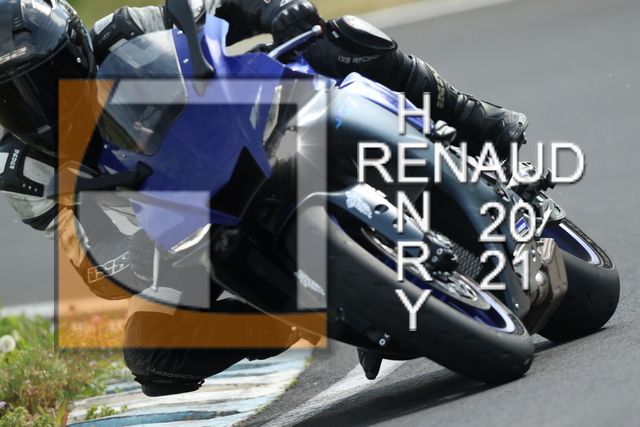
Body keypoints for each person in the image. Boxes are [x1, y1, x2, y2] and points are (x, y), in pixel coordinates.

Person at [0, 0, 528, 395]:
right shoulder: (24, 168)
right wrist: (120, 259)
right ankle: (306, 312)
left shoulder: (123, 31)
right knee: (153, 353)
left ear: (73, 48)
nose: (36, 106)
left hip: (260, 123)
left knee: (335, 39)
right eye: (10, 99)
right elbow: (76, 238)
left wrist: (275, 10)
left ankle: (472, 118)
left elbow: (214, 6)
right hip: (196, 227)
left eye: (42, 80)